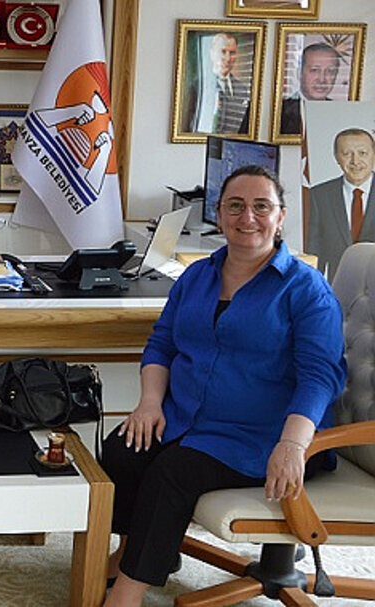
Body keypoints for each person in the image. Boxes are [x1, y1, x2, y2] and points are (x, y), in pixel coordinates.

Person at [100, 165, 346, 607]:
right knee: (123, 448)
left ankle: (129, 592)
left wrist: (293, 444)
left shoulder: (306, 289)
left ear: (281, 216)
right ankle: (134, 552)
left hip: (262, 436)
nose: (247, 217)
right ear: (218, 213)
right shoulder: (197, 275)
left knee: (172, 472)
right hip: (187, 417)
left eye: (261, 206)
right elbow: (162, 343)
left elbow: (320, 376)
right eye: (235, 205)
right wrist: (150, 403)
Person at [306, 128, 375, 279]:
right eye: (347, 154)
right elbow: (314, 251)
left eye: (362, 153)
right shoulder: (319, 196)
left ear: (374, 155)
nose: (355, 161)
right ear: (336, 157)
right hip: (338, 287)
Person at [181, 33, 251, 135]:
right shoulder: (197, 87)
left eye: (232, 53)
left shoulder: (242, 89)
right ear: (212, 53)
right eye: (223, 51)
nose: (227, 58)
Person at [280, 43, 341, 136]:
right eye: (314, 70)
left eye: (330, 71)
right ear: (299, 73)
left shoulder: (339, 112)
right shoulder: (281, 112)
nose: (322, 79)